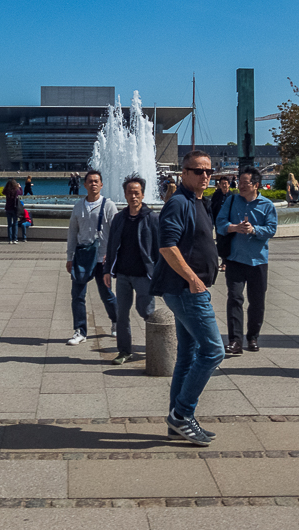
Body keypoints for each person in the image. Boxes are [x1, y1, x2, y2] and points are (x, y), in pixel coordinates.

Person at [150, 149, 223, 446]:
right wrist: (193, 278)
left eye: (209, 171)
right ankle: (181, 415)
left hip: (190, 289)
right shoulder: (178, 203)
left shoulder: (199, 202)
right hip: (186, 291)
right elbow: (167, 246)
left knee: (188, 356)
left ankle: (176, 422)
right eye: (197, 171)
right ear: (184, 173)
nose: (205, 176)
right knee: (213, 351)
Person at [216, 167, 278, 356]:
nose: (241, 186)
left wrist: (254, 230)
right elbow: (219, 223)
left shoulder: (267, 205)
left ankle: (252, 337)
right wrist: (234, 227)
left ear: (256, 185)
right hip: (235, 259)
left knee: (257, 302)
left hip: (258, 260)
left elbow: (271, 230)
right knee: (235, 298)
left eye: (245, 183)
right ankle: (235, 341)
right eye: (239, 182)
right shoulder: (232, 200)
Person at [103, 175, 160, 365]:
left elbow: (159, 248)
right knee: (122, 314)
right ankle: (124, 351)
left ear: (143, 195)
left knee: (146, 312)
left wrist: (160, 273)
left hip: (144, 275)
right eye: (130, 193)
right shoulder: (119, 218)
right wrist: (107, 270)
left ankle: (157, 347)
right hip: (123, 275)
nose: (133, 196)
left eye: (137, 193)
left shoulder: (152, 218)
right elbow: (111, 246)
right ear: (125, 195)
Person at [65, 169, 119, 345]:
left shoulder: (109, 206)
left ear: (101, 185)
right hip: (82, 257)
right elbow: (73, 232)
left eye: (96, 181)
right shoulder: (78, 206)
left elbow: (117, 233)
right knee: (77, 295)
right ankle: (80, 331)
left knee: (106, 294)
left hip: (102, 259)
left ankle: (117, 321)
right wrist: (69, 256)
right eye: (90, 181)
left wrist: (112, 257)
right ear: (85, 184)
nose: (93, 184)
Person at [209, 175, 233, 273]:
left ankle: (225, 262)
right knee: (219, 241)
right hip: (218, 222)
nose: (223, 185)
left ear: (229, 184)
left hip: (228, 223)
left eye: (225, 183)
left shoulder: (232, 196)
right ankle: (223, 261)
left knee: (226, 242)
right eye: (222, 183)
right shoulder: (217, 194)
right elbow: (212, 207)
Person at [3, 179, 23, 244]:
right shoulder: (16, 190)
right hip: (14, 209)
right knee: (15, 223)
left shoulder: (7, 191)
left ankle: (10, 239)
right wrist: (19, 187)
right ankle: (15, 239)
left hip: (8, 209)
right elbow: (21, 193)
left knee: (9, 225)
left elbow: (3, 192)